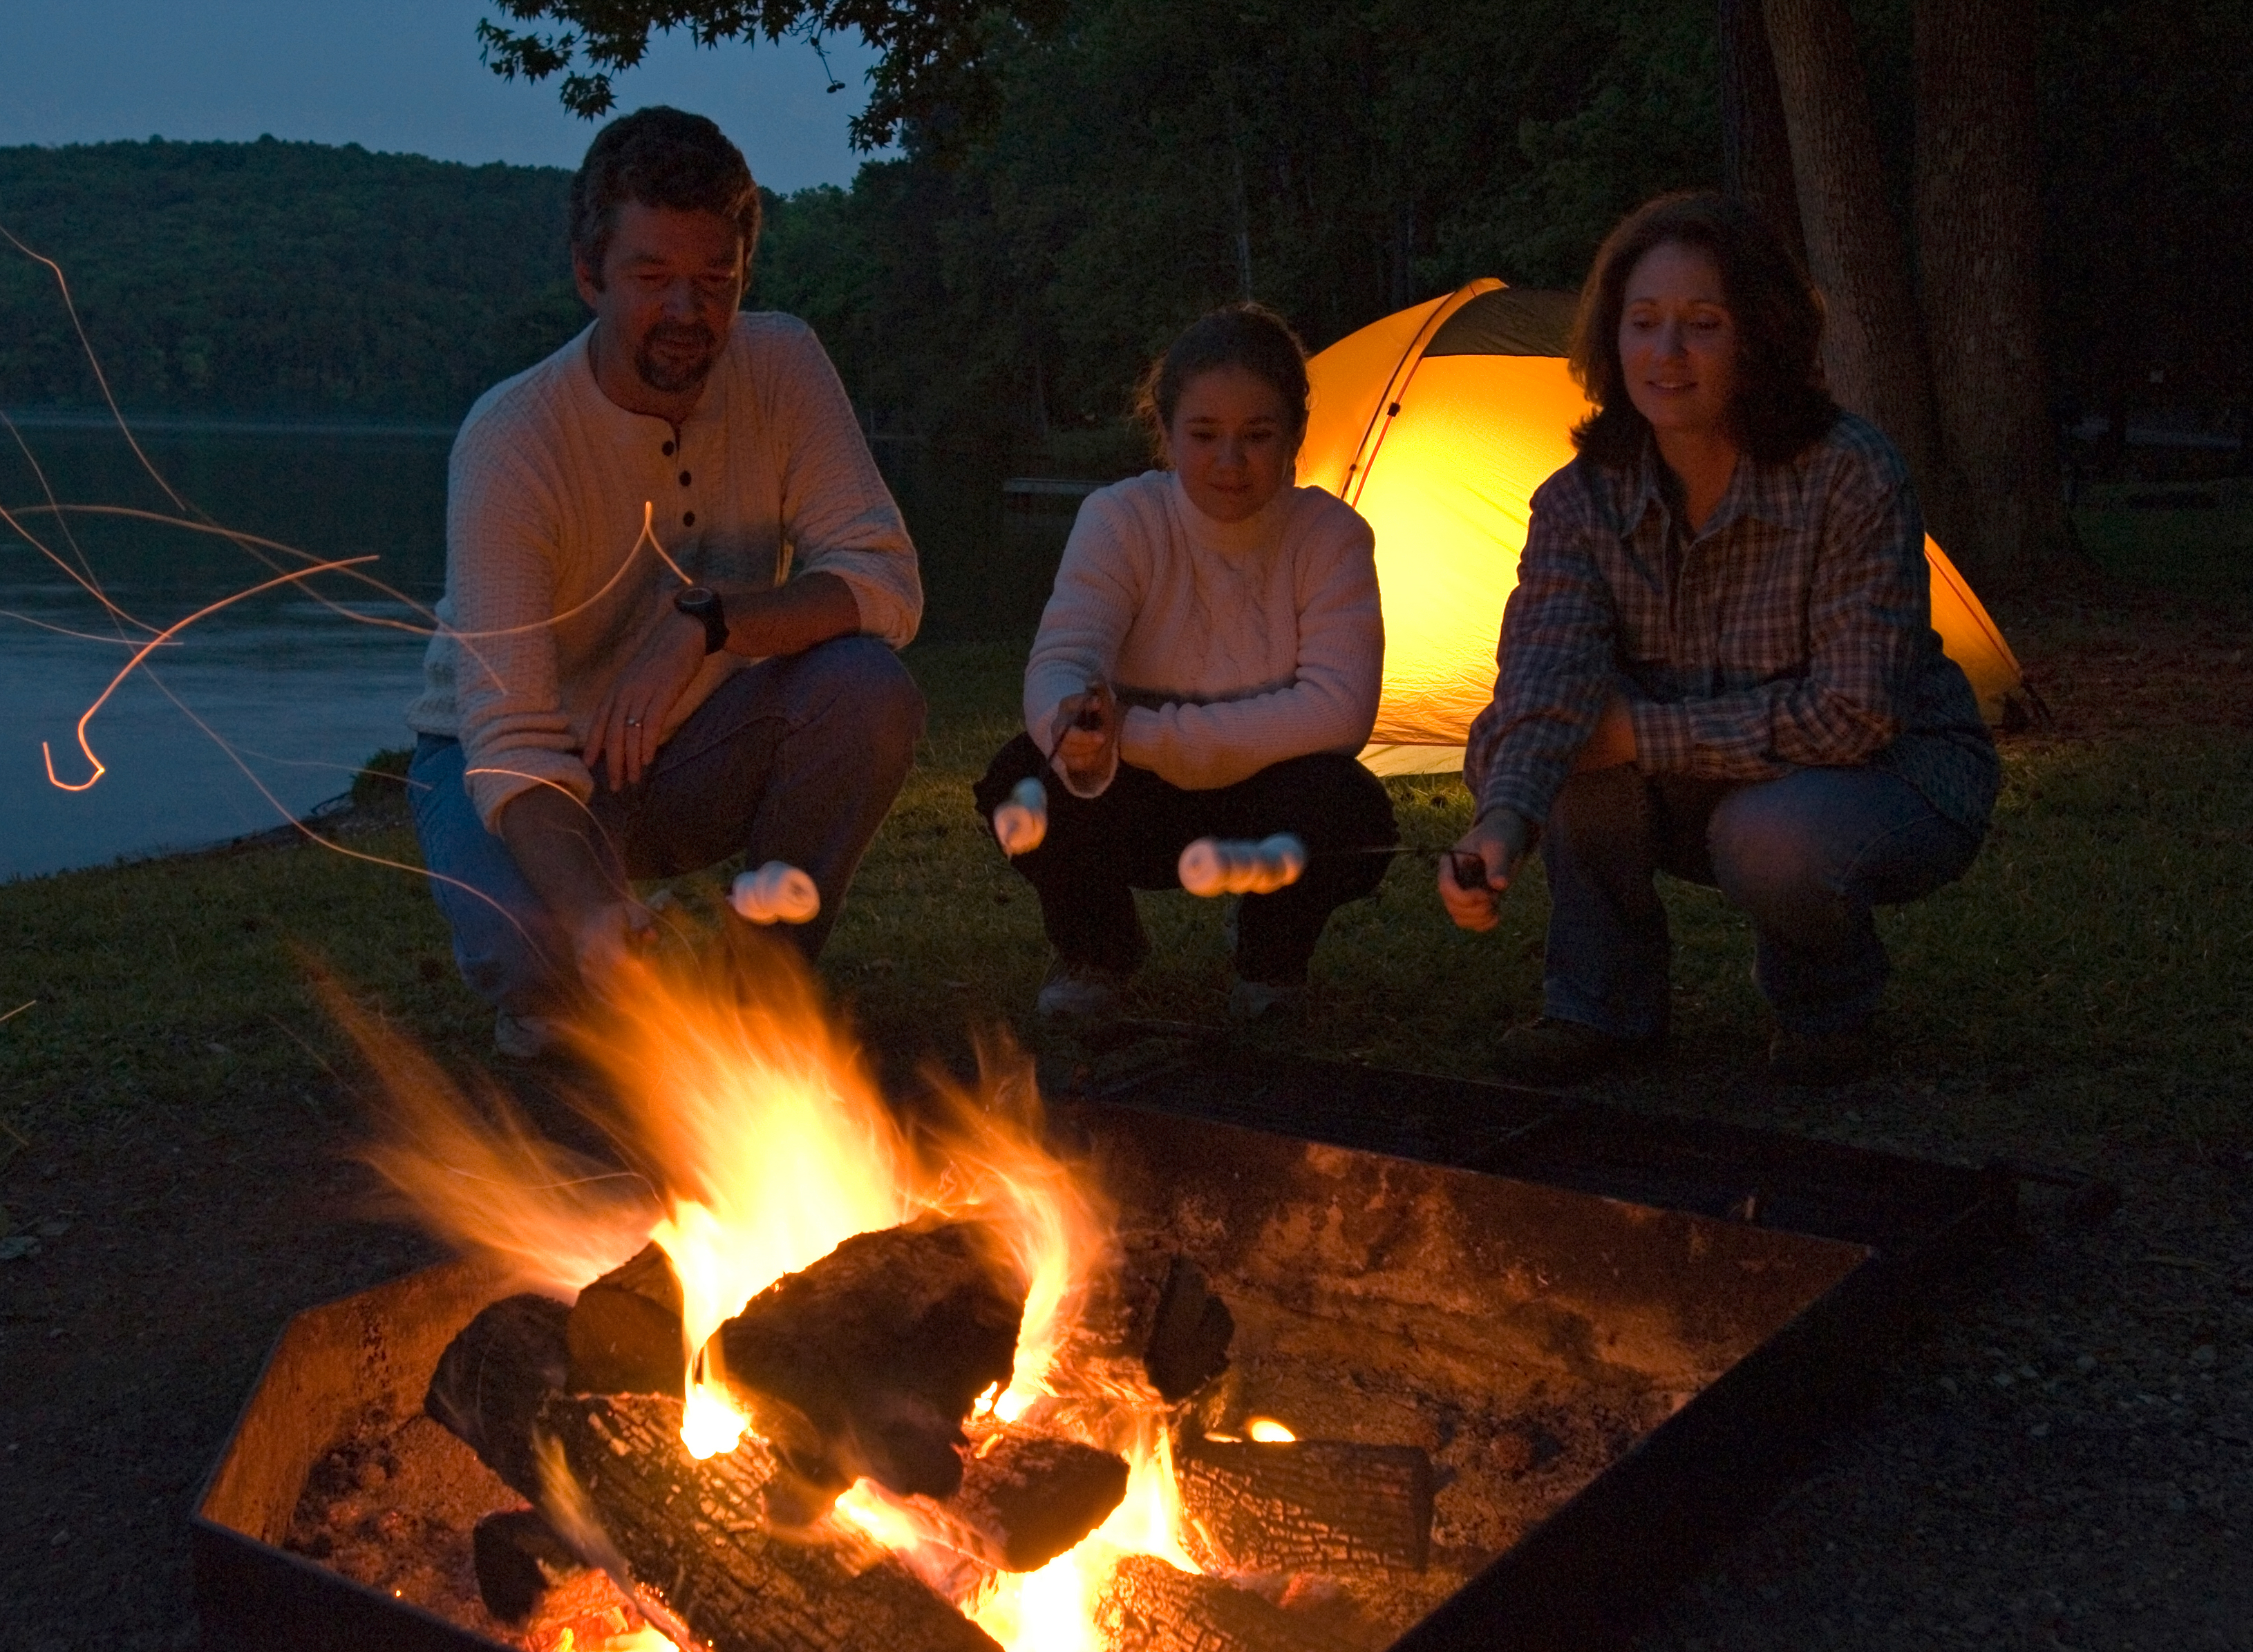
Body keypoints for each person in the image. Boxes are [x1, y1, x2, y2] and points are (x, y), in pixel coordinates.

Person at [1439, 191, 1998, 1087]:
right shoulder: (1581, 501)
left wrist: (1641, 733)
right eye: (1643, 322)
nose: (1666, 353)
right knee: (1562, 742)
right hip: (1702, 777)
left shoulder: (1848, 475)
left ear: (1760, 336)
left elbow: (1856, 713)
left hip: (1890, 775)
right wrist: (1501, 826)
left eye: (1702, 324)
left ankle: (1830, 1009)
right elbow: (1545, 682)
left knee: (1763, 831)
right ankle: (1599, 1006)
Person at [404, 107, 925, 1058]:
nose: (688, 312)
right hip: (513, 766)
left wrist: (710, 622)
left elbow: (884, 580)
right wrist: (596, 912)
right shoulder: (515, 440)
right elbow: (512, 738)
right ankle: (571, 974)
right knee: (537, 952)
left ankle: (759, 988)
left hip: (693, 749)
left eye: (714, 281)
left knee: (867, 691)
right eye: (652, 278)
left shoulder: (782, 366)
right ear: (588, 274)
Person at [975, 303, 1394, 1025]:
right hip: (1132, 800)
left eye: (1257, 436)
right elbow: (1065, 658)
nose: (1229, 462)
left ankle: (1270, 962)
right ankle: (1098, 952)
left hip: (1264, 800)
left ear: (1295, 435)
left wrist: (1143, 733)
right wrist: (1077, 722)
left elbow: (1340, 709)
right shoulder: (1122, 520)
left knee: (1347, 806)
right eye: (1205, 435)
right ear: (1166, 434)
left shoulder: (1329, 536)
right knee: (1024, 781)